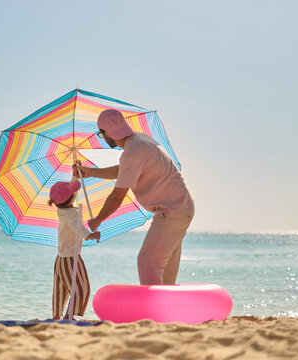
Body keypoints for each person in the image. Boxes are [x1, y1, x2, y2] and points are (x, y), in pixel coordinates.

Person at [75, 109, 194, 285]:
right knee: (165, 275)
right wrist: (90, 172)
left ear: (108, 133)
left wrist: (97, 220)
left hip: (172, 212)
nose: (102, 137)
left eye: (101, 134)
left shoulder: (133, 151)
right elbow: (125, 170)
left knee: (148, 264)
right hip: (181, 208)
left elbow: (117, 197)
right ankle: (166, 311)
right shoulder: (138, 141)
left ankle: (153, 311)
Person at [48, 176, 101, 320]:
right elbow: (81, 232)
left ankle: (57, 317)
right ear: (72, 199)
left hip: (60, 259)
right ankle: (68, 317)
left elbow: (70, 195)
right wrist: (93, 235)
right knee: (82, 288)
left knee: (61, 289)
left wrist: (74, 174)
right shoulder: (72, 215)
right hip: (71, 259)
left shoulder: (63, 211)